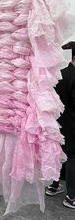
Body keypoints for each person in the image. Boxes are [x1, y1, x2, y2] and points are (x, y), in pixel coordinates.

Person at [46, 41, 75, 209]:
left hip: (59, 122)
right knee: (72, 157)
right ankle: (71, 196)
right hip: (72, 123)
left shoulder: (61, 74)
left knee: (59, 154)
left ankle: (53, 185)